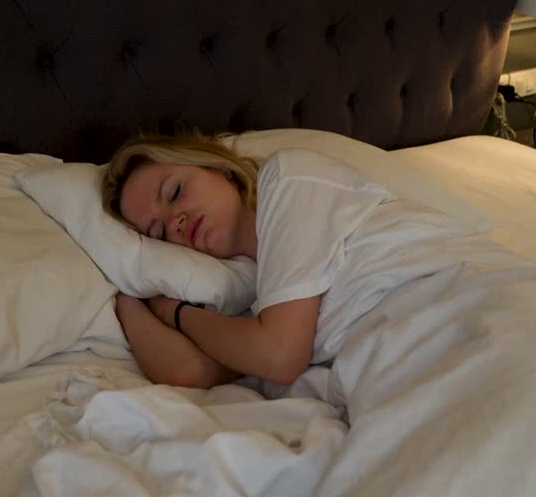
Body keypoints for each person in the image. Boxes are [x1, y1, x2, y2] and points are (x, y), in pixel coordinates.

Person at [101, 129, 451, 392]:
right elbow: (189, 372)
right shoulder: (241, 289)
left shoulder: (288, 179)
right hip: (404, 365)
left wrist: (171, 313)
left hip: (446, 307)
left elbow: (279, 357)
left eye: (175, 192)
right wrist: (129, 295)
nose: (175, 221)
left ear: (217, 168)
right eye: (159, 232)